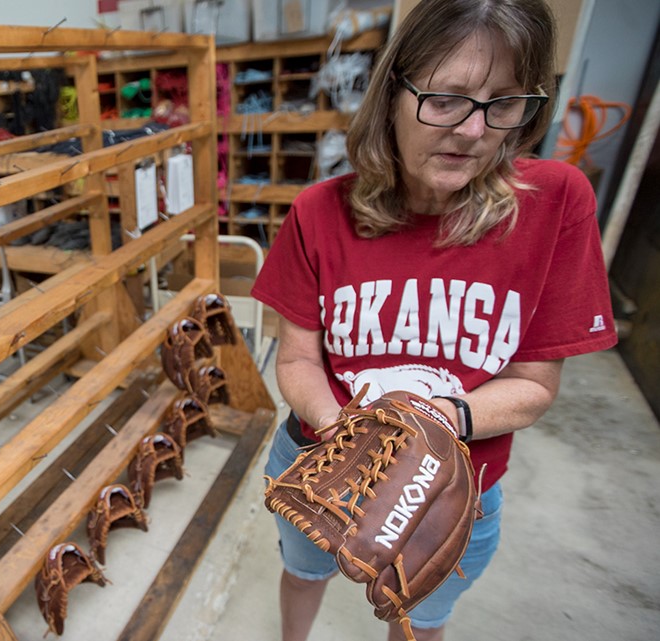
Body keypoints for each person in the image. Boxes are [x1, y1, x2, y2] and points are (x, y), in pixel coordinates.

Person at [249, 1, 617, 639]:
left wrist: (439, 424)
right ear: (392, 93)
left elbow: (534, 386)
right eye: (444, 99)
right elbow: (299, 360)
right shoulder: (318, 211)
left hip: (454, 485)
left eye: (502, 104)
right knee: (303, 570)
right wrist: (349, 432)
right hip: (324, 459)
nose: (473, 132)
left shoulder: (556, 204)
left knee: (418, 613)